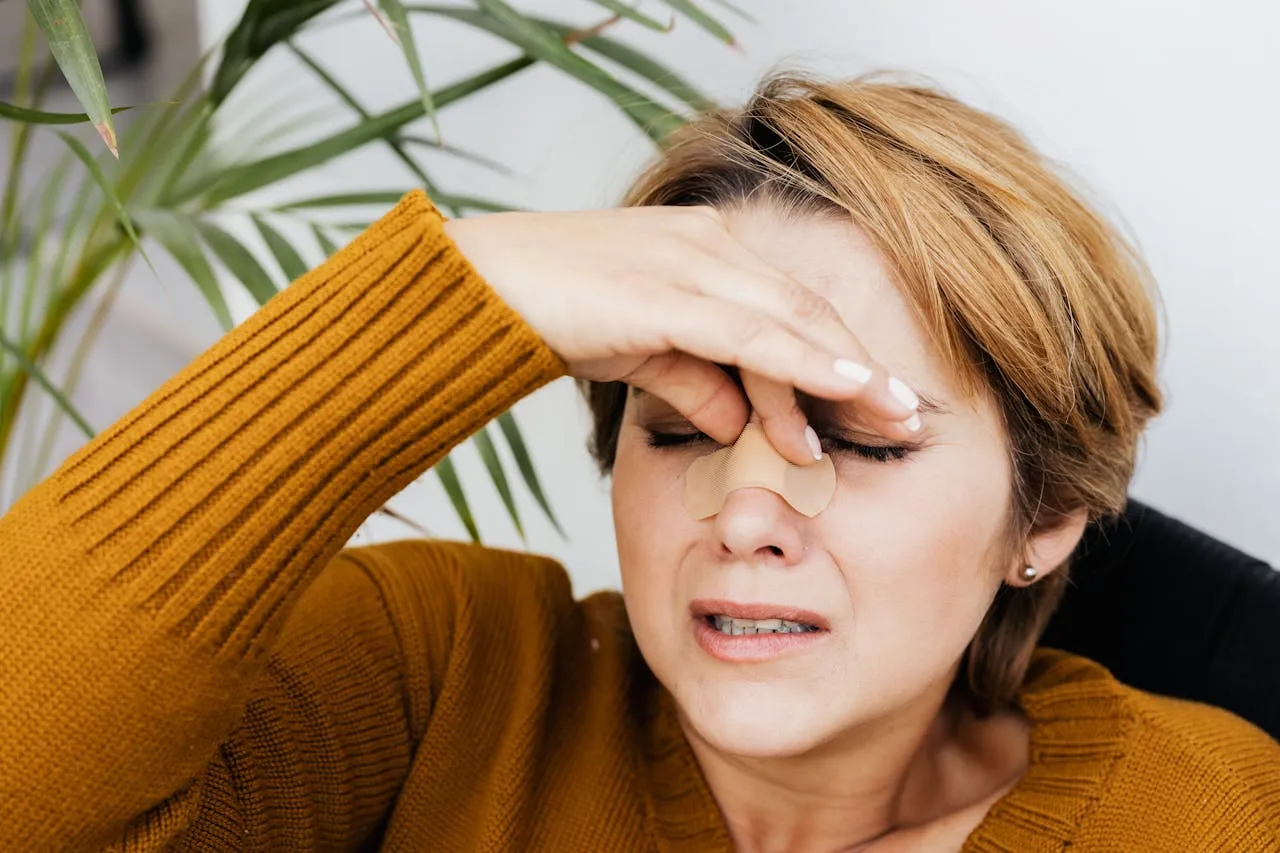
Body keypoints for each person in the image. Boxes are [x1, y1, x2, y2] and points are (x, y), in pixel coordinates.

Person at [1, 71, 1277, 852]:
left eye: (856, 440)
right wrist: (448, 297)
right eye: (681, 430)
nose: (746, 514)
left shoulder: (1214, 814)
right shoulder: (436, 676)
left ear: (1042, 515)